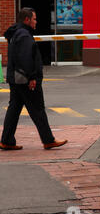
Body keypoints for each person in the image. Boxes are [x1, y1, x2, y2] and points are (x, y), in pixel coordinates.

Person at [0, 8, 67, 151]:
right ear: (27, 20)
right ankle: (48, 140)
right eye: (34, 19)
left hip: (15, 79)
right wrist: (32, 77)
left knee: (14, 109)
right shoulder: (24, 35)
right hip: (24, 79)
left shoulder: (16, 33)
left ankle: (6, 140)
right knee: (38, 109)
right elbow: (25, 58)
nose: (36, 22)